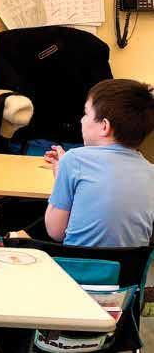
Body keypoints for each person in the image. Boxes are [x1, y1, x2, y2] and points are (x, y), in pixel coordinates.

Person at [37, 79, 154, 247]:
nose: (81, 120)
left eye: (86, 114)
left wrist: (61, 174)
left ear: (104, 126)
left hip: (77, 263)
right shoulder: (151, 172)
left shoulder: (73, 160)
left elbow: (56, 231)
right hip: (131, 264)